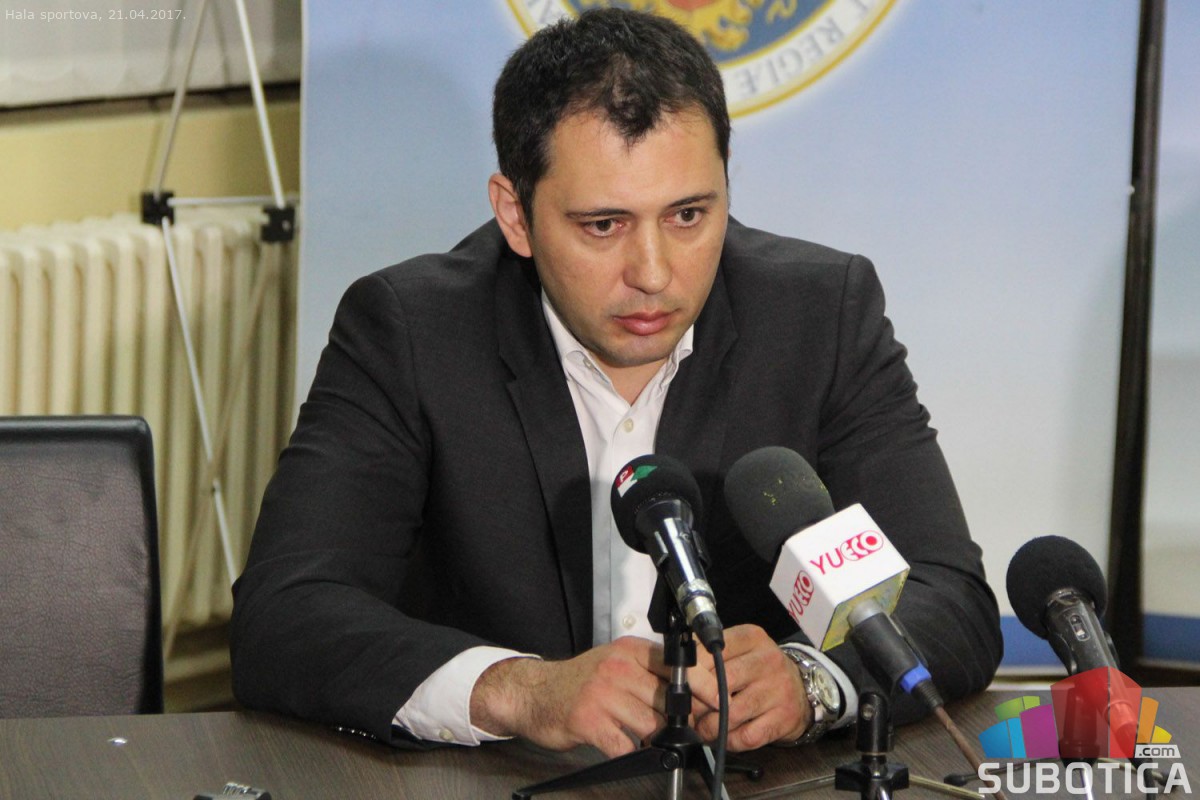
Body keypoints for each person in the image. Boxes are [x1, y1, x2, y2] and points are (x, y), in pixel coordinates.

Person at [230, 8, 1002, 758]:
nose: (654, 274)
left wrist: (810, 682)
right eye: (604, 225)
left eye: (688, 215)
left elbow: (948, 593)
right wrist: (519, 690)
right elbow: (284, 614)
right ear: (515, 215)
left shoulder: (818, 316)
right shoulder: (411, 332)